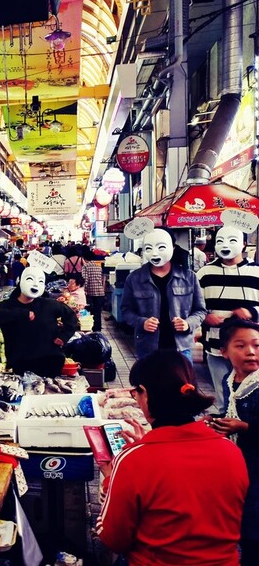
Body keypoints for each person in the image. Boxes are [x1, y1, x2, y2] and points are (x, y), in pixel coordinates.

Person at [96, 350, 248, 565]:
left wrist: (111, 477)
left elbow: (113, 538)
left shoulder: (133, 460)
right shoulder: (231, 451)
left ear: (144, 394)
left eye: (135, 393)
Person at [208, 318, 259, 562]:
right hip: (242, 466)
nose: (251, 351)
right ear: (224, 352)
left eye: (257, 345)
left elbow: (242, 422)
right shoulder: (230, 379)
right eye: (241, 345)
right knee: (242, 518)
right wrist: (216, 421)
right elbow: (231, 412)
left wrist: (245, 427)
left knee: (253, 529)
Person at [197, 226, 259, 413]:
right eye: (220, 241)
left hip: (250, 348)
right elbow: (194, 305)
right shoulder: (204, 273)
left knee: (251, 392)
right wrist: (205, 316)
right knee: (223, 391)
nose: (225, 245)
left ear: (244, 244)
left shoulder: (256, 272)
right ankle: (226, 420)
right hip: (217, 344)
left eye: (232, 240)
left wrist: (251, 312)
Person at [121, 228, 206, 361]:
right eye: (148, 248)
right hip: (147, 348)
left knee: (182, 376)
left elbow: (200, 310)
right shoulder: (134, 278)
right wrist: (141, 322)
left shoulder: (189, 277)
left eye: (161, 247)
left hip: (181, 348)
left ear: (173, 247)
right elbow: (126, 310)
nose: (154, 253)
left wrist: (188, 323)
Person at [0, 267, 79, 377]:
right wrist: (21, 314)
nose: (36, 284)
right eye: (30, 279)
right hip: (21, 364)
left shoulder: (49, 304)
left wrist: (64, 336)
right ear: (21, 281)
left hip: (49, 362)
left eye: (40, 281)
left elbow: (71, 316)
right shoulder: (7, 305)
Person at [80, 247, 106, 332]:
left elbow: (85, 279)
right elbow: (102, 279)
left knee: (90, 312)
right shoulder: (98, 267)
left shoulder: (85, 267)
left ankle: (91, 328)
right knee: (98, 312)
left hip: (90, 293)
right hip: (100, 292)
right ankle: (98, 329)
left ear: (84, 259)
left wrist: (84, 290)